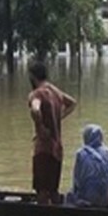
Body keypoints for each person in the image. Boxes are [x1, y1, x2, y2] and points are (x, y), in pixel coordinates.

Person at [28, 61, 77, 205]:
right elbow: (72, 103)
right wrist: (59, 117)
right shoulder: (54, 92)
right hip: (57, 148)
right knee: (53, 190)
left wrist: (41, 126)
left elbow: (35, 109)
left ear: (32, 76)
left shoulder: (36, 93)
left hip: (43, 148)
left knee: (42, 191)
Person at [66, 124, 108, 207]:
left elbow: (77, 181)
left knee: (69, 197)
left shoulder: (81, 153)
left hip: (88, 199)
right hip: (107, 200)